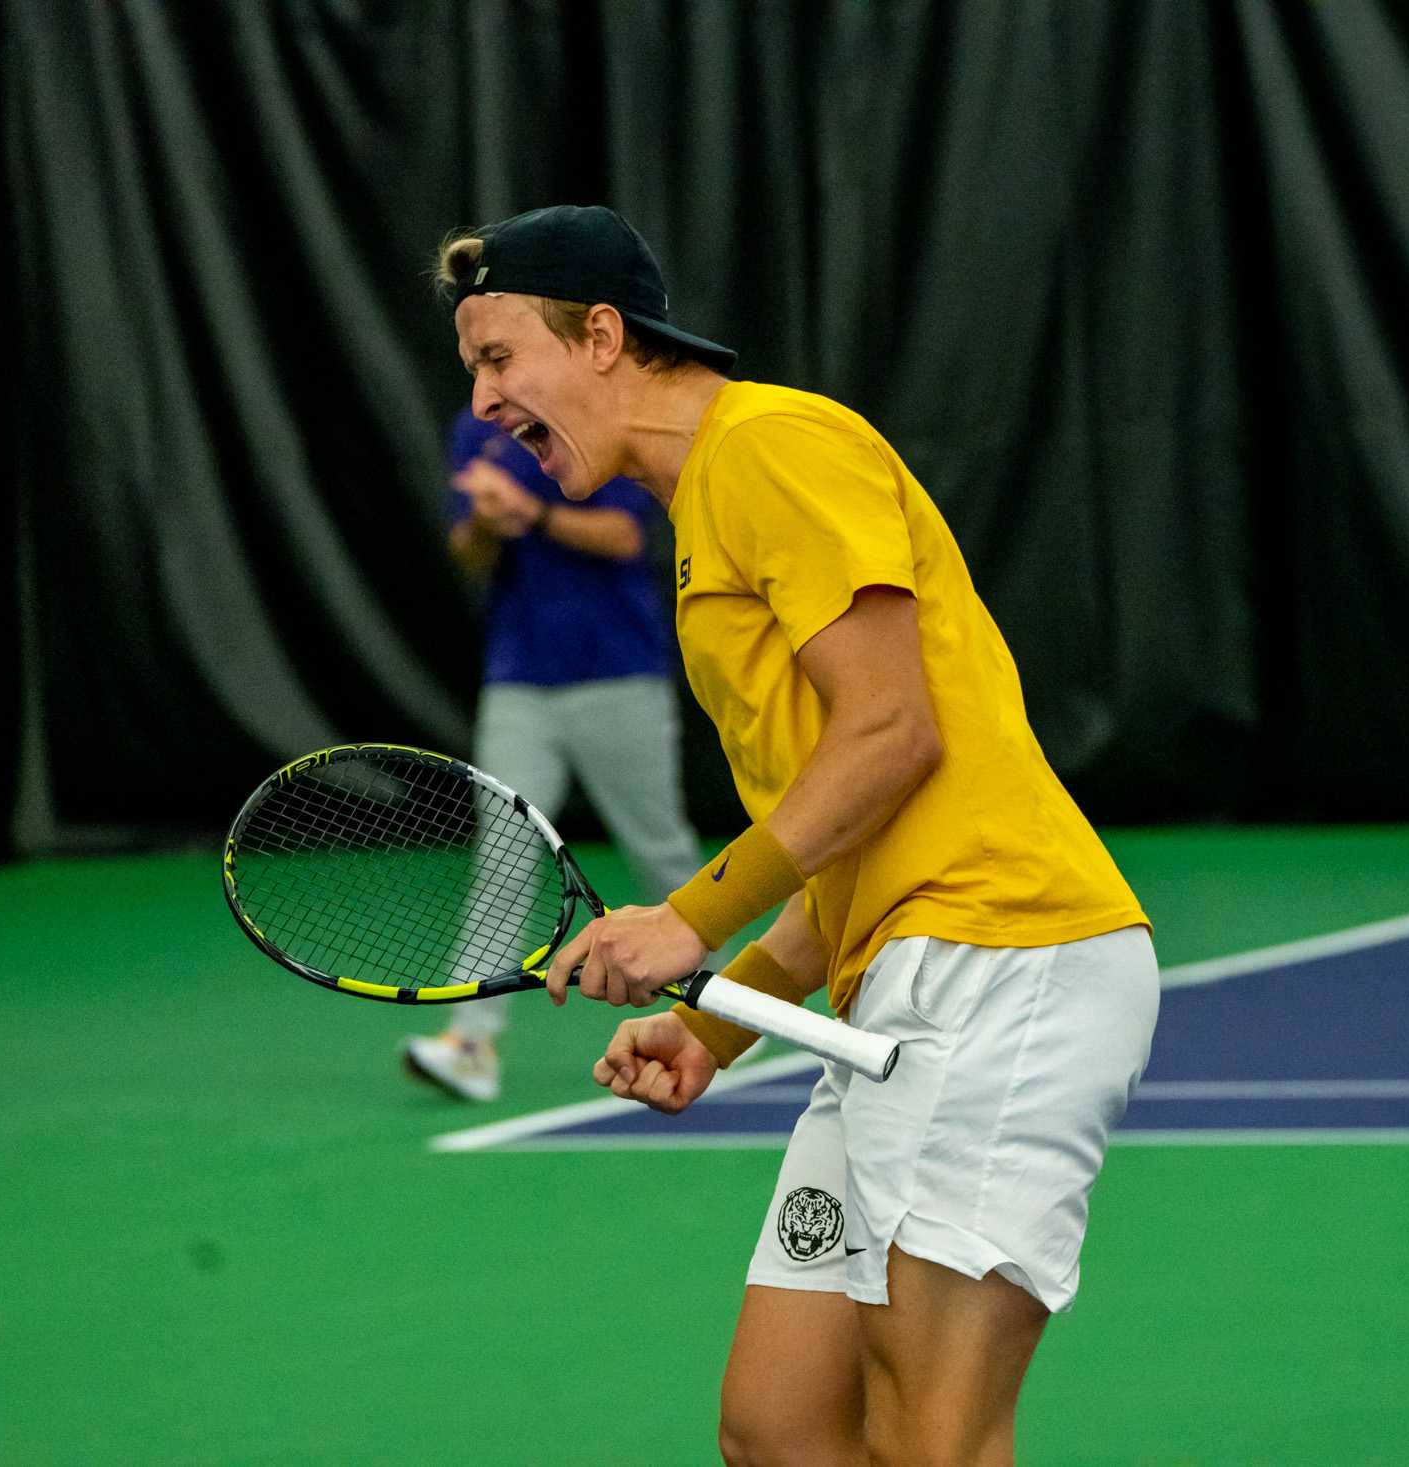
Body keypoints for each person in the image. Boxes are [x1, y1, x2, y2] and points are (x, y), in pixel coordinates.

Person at [438, 203, 1158, 1465]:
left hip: (1003, 966)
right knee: (780, 1427)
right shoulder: (699, 519)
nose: (485, 401)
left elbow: (892, 734)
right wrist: (713, 1018)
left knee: (930, 1441)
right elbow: (835, 859)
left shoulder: (772, 444)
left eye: (500, 360)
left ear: (601, 335)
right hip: (890, 993)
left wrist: (688, 918)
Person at [399, 404, 711, 1101]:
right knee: (503, 858)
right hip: (519, 681)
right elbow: (470, 552)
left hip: (619, 673)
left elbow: (627, 535)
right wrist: (487, 521)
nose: (487, 377)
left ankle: (719, 1011)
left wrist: (532, 514)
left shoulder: (598, 421)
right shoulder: (471, 431)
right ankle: (470, 1042)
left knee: (659, 850)